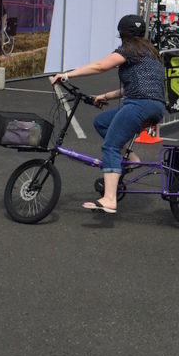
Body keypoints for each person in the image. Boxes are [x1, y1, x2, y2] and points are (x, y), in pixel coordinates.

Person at [50, 14, 166, 214]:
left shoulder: (129, 49)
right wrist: (104, 96)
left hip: (138, 105)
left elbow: (100, 66)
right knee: (102, 122)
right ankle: (131, 158)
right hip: (154, 106)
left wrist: (67, 74)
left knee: (110, 146)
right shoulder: (150, 52)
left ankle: (110, 199)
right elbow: (134, 86)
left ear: (122, 34)